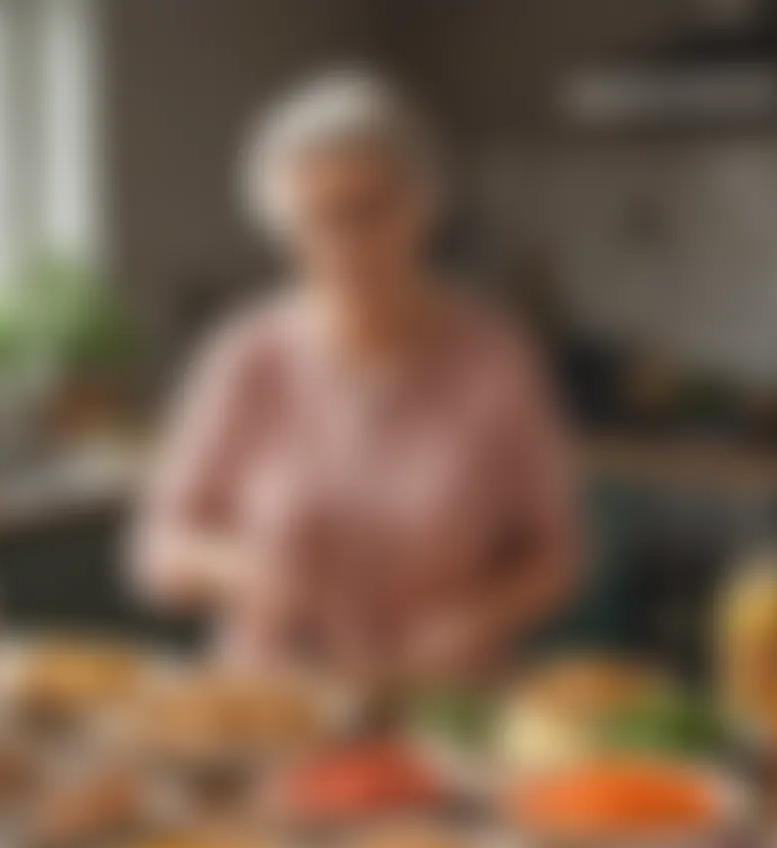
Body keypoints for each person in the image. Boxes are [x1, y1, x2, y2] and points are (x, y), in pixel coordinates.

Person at [132, 70, 579, 681]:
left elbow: (553, 558)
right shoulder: (245, 357)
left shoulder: (495, 358)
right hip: (277, 709)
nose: (349, 242)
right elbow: (161, 549)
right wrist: (239, 570)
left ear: (423, 205)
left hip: (445, 707)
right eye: (319, 218)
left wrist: (479, 619)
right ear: (282, 227)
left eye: (372, 210)